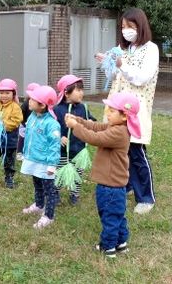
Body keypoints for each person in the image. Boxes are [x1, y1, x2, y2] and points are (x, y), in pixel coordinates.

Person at [95, 7, 158, 215]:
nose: (126, 31)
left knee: (136, 152)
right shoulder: (123, 49)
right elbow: (114, 77)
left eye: (130, 26)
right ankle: (127, 184)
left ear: (140, 27)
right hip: (116, 108)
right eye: (123, 27)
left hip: (135, 110)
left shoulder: (151, 49)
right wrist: (107, 62)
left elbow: (141, 78)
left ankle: (146, 197)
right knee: (119, 149)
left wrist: (121, 64)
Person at [65, 92, 141, 258]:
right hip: (114, 185)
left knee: (109, 217)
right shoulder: (116, 127)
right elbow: (96, 127)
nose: (107, 113)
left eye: (112, 111)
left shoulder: (118, 133)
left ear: (124, 116)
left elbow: (94, 138)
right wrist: (79, 120)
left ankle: (108, 247)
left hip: (110, 187)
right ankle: (121, 242)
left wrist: (74, 127)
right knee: (117, 215)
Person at [21, 85, 61, 229]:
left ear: (42, 105)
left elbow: (54, 145)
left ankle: (49, 216)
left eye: (32, 99)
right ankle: (39, 205)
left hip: (45, 162)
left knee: (49, 190)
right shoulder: (32, 116)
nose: (29, 101)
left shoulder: (52, 124)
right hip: (33, 158)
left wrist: (52, 164)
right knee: (37, 184)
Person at [54, 75, 96, 205]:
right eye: (78, 90)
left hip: (79, 149)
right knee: (60, 173)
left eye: (82, 90)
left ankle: (75, 194)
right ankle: (55, 193)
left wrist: (90, 122)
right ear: (66, 93)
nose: (81, 93)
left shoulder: (83, 108)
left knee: (78, 174)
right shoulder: (57, 110)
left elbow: (92, 121)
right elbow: (51, 127)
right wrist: (59, 136)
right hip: (62, 151)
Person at [16, 82, 40, 161]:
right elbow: (20, 113)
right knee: (23, 138)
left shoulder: (37, 103)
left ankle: (29, 153)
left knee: (32, 139)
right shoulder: (26, 103)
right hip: (25, 125)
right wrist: (23, 122)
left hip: (34, 125)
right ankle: (19, 153)